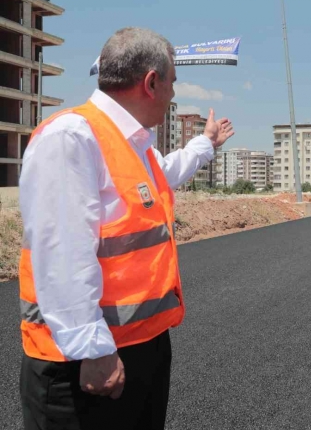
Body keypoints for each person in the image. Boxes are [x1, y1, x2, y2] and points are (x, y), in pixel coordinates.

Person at [18, 27, 234, 430]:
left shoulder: (134, 146)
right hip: (81, 366)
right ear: (151, 82)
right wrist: (93, 348)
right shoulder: (72, 137)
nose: (173, 96)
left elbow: (165, 174)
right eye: (172, 84)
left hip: (137, 349)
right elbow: (62, 254)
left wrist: (205, 145)